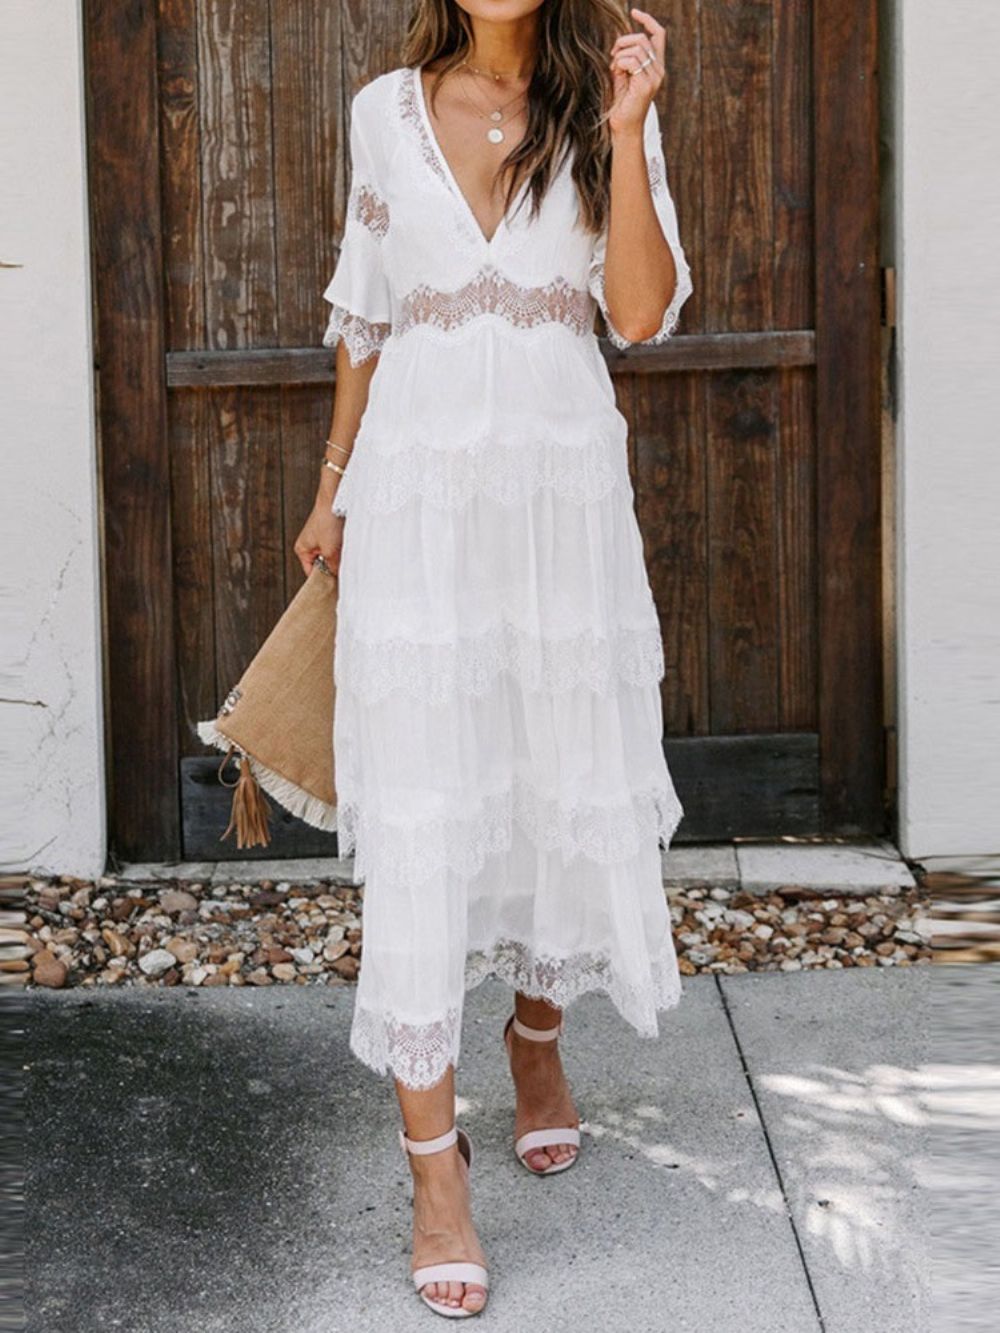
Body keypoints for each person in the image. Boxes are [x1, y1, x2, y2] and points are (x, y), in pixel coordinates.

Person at [293, 0, 692, 1318]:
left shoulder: (602, 108)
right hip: (418, 499)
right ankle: (432, 1173)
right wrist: (332, 485)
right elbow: (365, 323)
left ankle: (536, 1039)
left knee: (551, 772)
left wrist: (631, 133)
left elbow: (637, 312)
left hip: (562, 502)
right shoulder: (381, 114)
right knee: (424, 804)